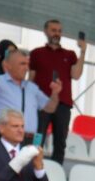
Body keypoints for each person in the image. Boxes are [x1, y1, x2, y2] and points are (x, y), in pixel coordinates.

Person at [29, 19, 85, 165]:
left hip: (63, 104)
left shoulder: (70, 54)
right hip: (41, 103)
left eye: (59, 31)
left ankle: (57, 170)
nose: (57, 33)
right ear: (46, 31)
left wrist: (83, 51)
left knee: (60, 141)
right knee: (37, 138)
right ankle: (32, 167)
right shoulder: (36, 53)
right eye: (54, 30)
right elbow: (31, 79)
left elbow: (76, 75)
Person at [0, 49, 61, 138]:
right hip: (6, 138)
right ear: (8, 65)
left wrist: (55, 93)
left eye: (27, 64)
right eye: (22, 64)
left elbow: (50, 108)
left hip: (29, 140)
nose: (26, 68)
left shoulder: (31, 87)